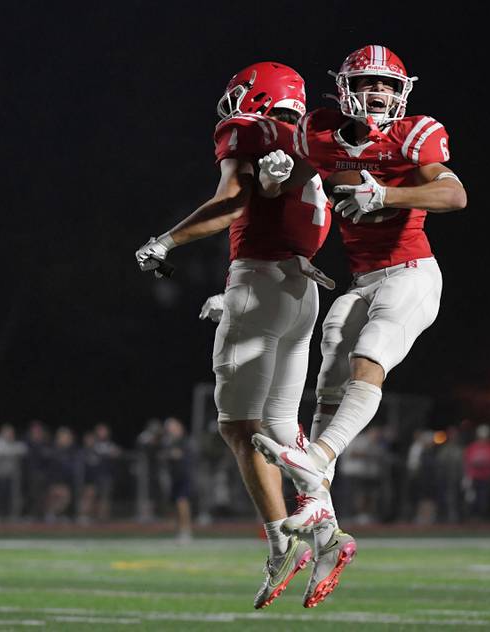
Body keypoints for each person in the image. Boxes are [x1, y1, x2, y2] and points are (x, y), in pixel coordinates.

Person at [134, 61, 342, 609]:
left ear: (256, 96)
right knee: (280, 425)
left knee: (237, 428)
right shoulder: (309, 146)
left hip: (262, 281)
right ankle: (324, 524)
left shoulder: (246, 129)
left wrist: (167, 241)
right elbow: (283, 215)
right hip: (303, 291)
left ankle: (282, 545)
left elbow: (234, 204)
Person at [252, 42, 465, 534]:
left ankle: (319, 455)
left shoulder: (415, 135)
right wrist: (271, 178)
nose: (378, 91)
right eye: (368, 82)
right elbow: (289, 190)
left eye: (388, 84)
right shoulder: (320, 133)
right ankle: (315, 498)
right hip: (361, 280)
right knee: (328, 374)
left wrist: (386, 193)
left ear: (402, 94)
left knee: (367, 359)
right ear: (346, 88)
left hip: (411, 272)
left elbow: (454, 193)